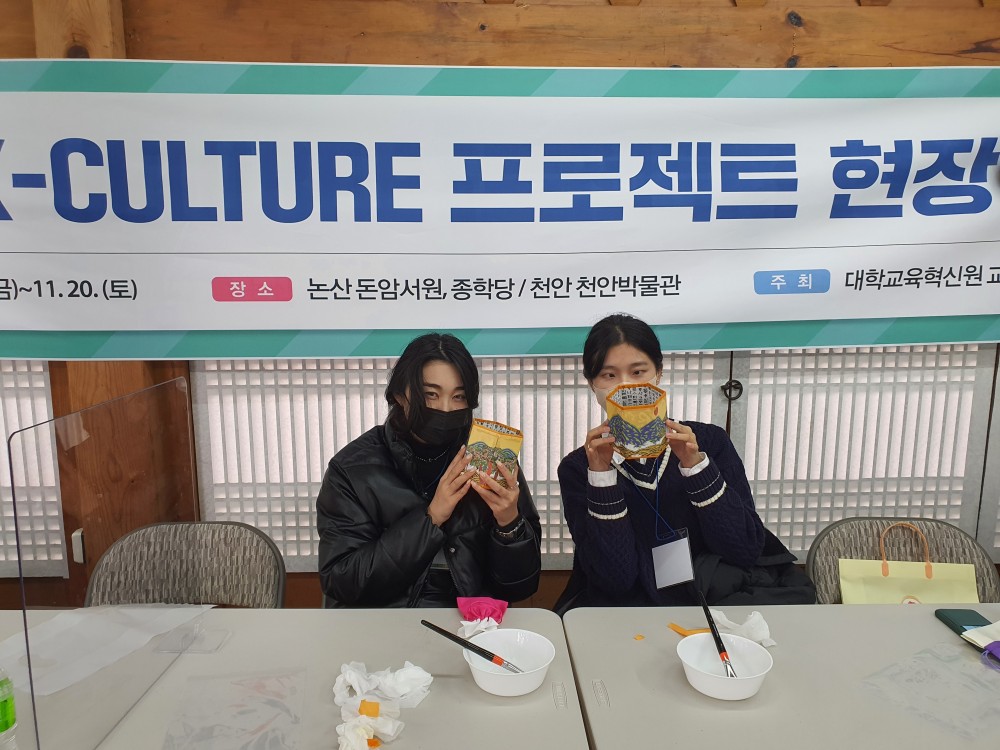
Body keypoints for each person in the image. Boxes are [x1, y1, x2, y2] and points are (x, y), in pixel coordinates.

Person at [557, 314, 814, 610]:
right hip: (627, 610)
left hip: (711, 601)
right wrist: (601, 478)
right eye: (609, 375)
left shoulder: (709, 442)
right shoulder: (579, 468)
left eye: (638, 372)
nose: (625, 387)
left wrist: (695, 466)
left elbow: (743, 550)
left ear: (658, 374)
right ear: (592, 384)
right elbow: (615, 579)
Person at [317, 333, 542, 607]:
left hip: (471, 621)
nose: (445, 409)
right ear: (399, 395)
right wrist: (431, 518)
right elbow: (342, 581)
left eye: (459, 396)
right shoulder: (353, 469)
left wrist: (510, 524)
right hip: (383, 621)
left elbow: (521, 587)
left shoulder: (488, 458)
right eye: (430, 395)